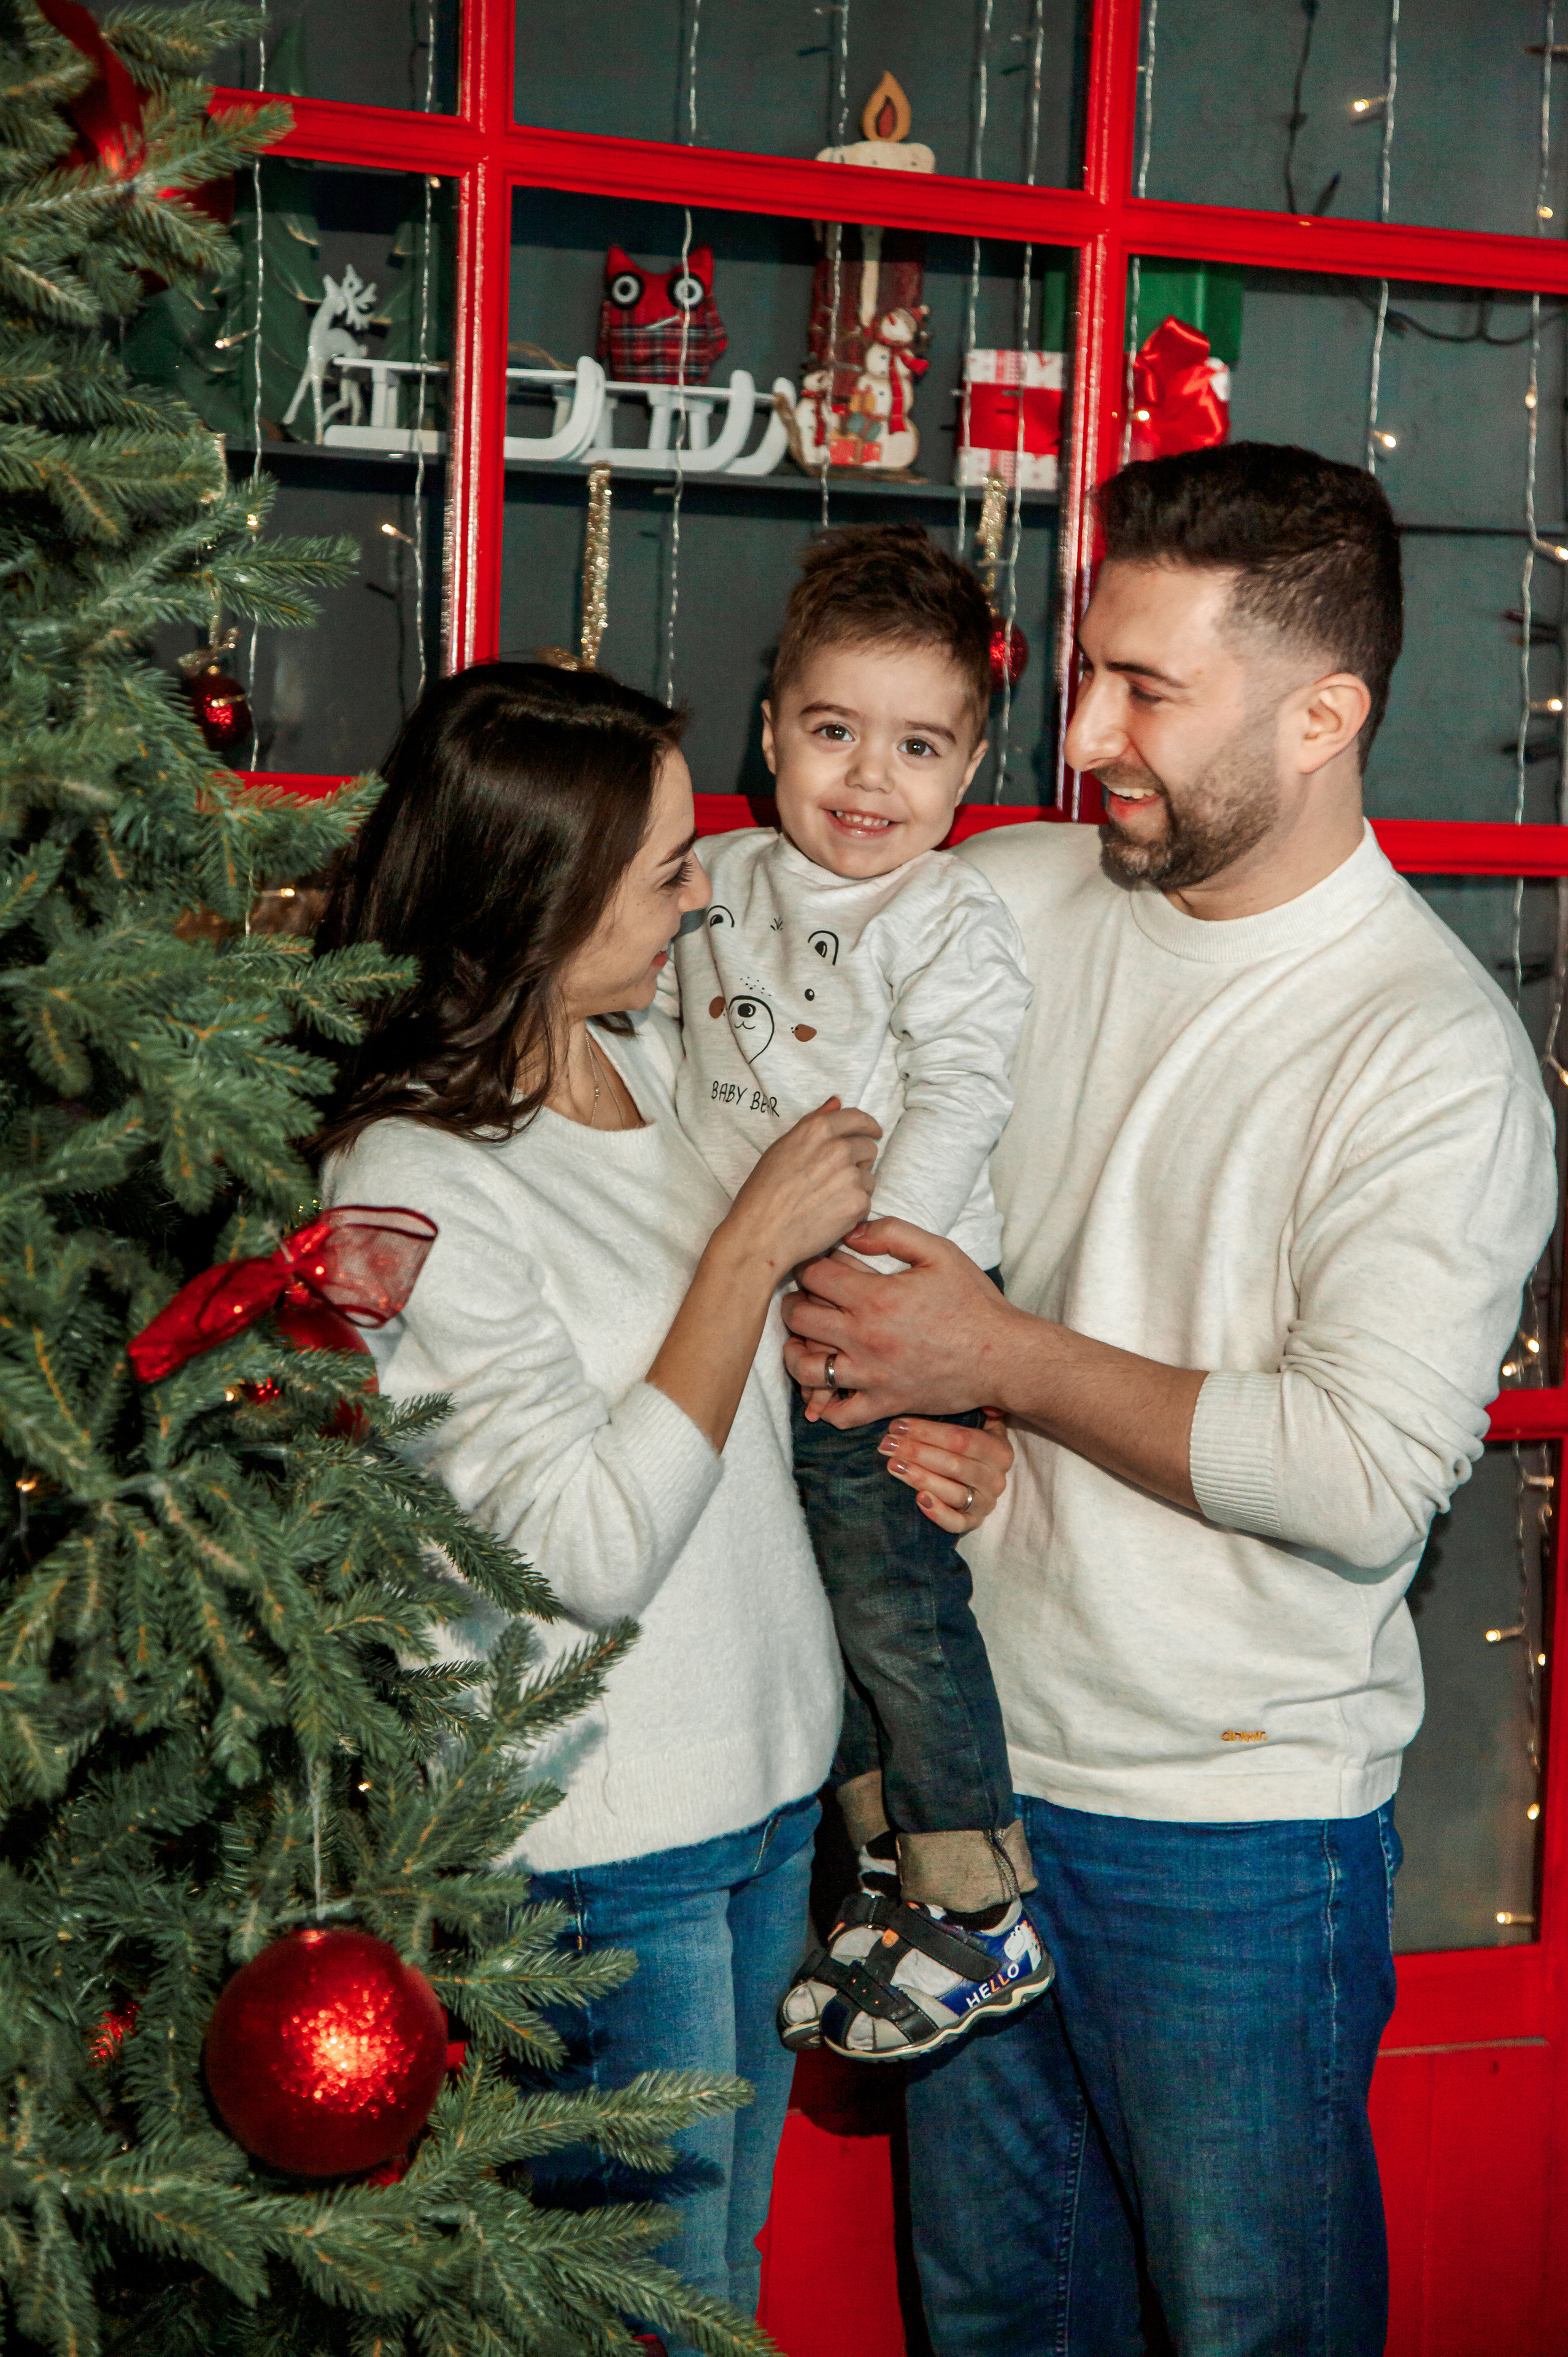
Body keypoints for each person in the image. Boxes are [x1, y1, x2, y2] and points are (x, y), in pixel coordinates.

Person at [778, 444, 1559, 2355]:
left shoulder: (1430, 1056)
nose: (1084, 737)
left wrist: (1001, 1364)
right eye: (1087, 676)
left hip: (1232, 1834)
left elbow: (1365, 1474)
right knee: (994, 2327)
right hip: (961, 1792)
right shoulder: (1007, 899)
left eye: (1147, 691)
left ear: (1322, 718)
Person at [310, 659, 1012, 2350]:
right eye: (666, 870)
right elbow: (584, 1548)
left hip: (763, 1803)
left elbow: (758, 1416)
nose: (704, 900)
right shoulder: (408, 1175)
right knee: (657, 2322)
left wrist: (955, 1432)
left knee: (718, 2297)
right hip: (596, 1850)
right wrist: (746, 1250)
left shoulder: (640, 1065)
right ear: (541, 895)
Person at [663, 525, 1049, 2064]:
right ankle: (892, 1873)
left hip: (887, 1299)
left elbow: (960, 1095)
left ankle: (981, 1895)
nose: (867, 778)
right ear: (771, 733)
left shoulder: (945, 916)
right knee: (809, 1605)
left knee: (891, 1593)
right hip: (754, 1306)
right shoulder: (718, 883)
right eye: (833, 731)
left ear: (965, 772)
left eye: (915, 747)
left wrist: (869, 1271)